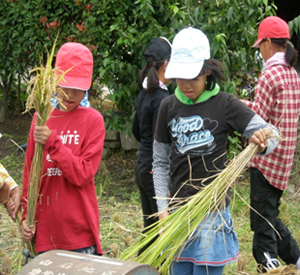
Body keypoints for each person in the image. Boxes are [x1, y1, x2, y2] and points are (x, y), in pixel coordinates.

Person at [152, 27, 280, 275]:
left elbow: (271, 134)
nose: (186, 85)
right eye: (180, 77)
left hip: (213, 214)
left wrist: (262, 141)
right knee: (179, 270)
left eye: (194, 78)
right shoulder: (168, 106)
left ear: (207, 70)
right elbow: (159, 163)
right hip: (180, 211)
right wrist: (163, 210)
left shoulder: (225, 104)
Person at [21, 42, 106, 256]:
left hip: (79, 235)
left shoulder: (93, 121)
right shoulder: (41, 117)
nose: (69, 93)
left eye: (77, 88)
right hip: (45, 232)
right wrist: (26, 219)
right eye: (64, 85)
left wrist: (53, 143)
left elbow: (83, 174)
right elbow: (30, 173)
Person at [241, 16, 300, 272]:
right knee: (270, 216)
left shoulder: (270, 75)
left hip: (266, 161)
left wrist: (237, 107)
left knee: (262, 222)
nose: (260, 52)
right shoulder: (292, 73)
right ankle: (297, 259)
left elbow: (258, 121)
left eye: (260, 46)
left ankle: (269, 265)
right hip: (284, 161)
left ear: (267, 43)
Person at [132, 37, 172, 254]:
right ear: (166, 64)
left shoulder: (144, 94)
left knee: (151, 229)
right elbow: (164, 140)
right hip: (154, 171)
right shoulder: (163, 98)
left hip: (142, 166)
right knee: (161, 231)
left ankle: (140, 266)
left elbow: (135, 130)